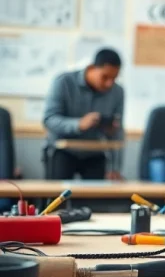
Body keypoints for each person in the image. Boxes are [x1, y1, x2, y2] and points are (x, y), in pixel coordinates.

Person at [43, 48, 124, 181]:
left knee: (95, 199)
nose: (109, 83)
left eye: (114, 79)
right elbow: (49, 119)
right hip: (61, 152)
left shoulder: (118, 92)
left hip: (95, 153)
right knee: (57, 198)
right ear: (91, 67)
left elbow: (118, 131)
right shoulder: (63, 82)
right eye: (105, 77)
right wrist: (79, 124)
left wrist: (115, 168)